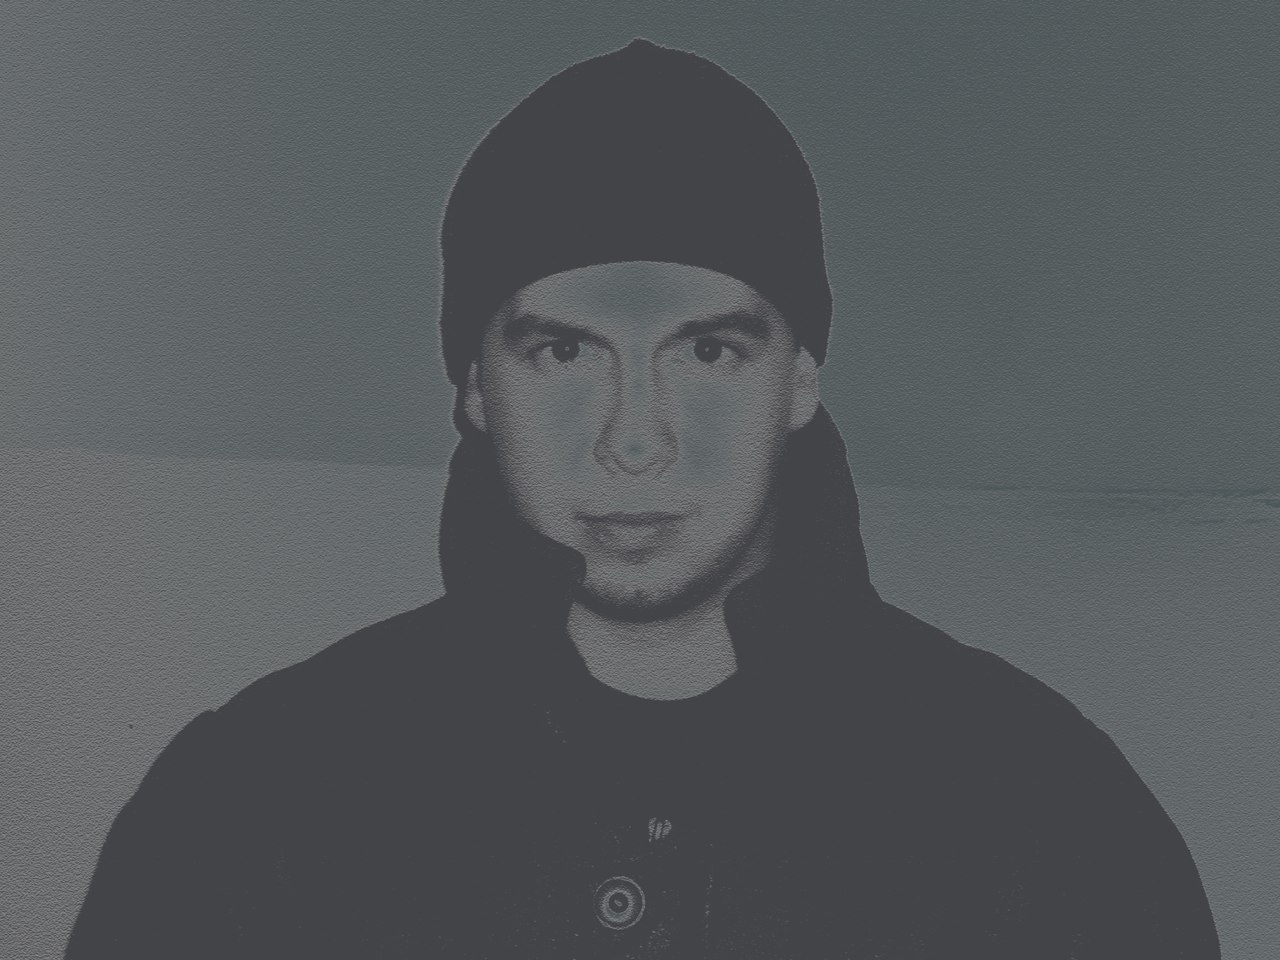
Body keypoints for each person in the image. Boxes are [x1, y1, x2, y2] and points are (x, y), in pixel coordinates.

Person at [66, 39, 1219, 959]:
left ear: (798, 378)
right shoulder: (253, 806)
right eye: (563, 354)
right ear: (474, 386)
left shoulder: (1042, 815)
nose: (633, 438)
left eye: (705, 353)